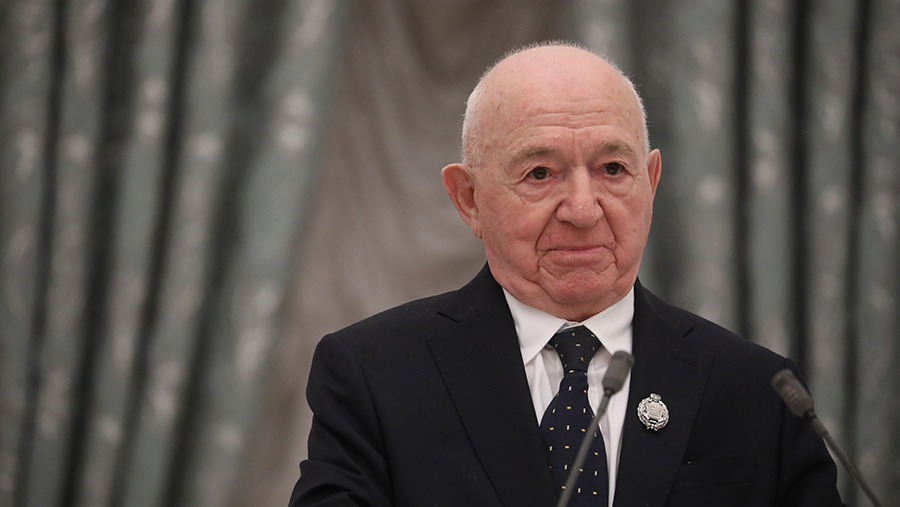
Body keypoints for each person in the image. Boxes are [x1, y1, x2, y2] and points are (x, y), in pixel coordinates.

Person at [289, 42, 844, 507]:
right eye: (539, 173)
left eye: (612, 169)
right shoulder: (374, 375)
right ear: (469, 199)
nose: (582, 209)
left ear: (650, 182)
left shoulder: (761, 391)